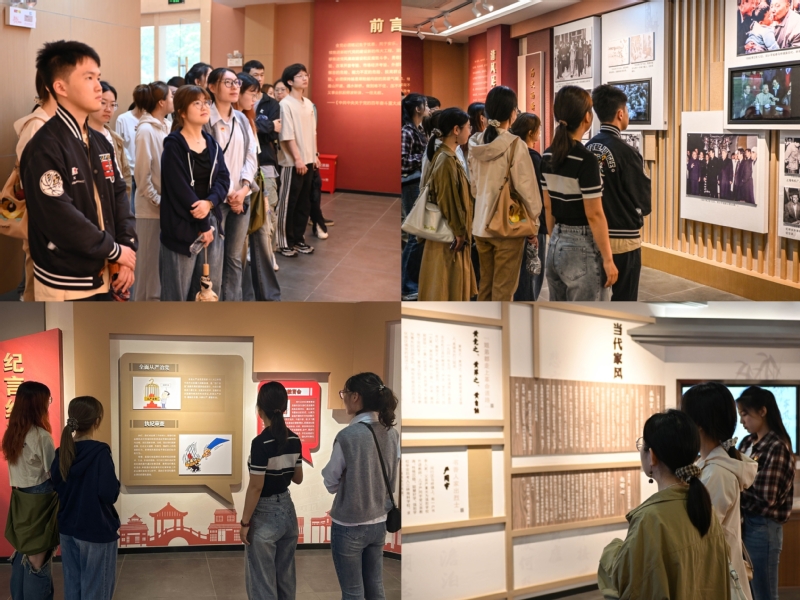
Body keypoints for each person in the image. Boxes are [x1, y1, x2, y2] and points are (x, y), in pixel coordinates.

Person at [21, 40, 137, 302]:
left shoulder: (100, 141)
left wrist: (125, 250)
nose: (98, 87)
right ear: (60, 87)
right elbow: (60, 217)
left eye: (98, 77)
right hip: (67, 279)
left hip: (106, 271)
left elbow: (119, 195)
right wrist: (116, 251)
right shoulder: (44, 146)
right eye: (88, 78)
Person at [598, 410, 732, 599]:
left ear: (652, 456)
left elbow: (629, 582)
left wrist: (612, 550)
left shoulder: (650, 519)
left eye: (642, 445)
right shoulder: (703, 507)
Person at [322, 373, 400, 600]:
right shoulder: (391, 433)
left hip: (350, 524)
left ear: (355, 396)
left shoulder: (347, 436)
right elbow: (391, 474)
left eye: (344, 393)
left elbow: (330, 479)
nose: (344, 398)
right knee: (375, 586)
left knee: (353, 591)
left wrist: (347, 487)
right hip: (379, 521)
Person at [682, 383, 759, 600]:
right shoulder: (707, 464)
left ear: (698, 425)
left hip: (717, 580)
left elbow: (700, 535)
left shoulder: (718, 473)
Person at [540, 86, 617, 301]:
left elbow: (548, 206)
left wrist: (556, 239)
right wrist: (608, 259)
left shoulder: (547, 156)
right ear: (587, 117)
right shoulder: (586, 160)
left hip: (556, 242)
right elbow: (594, 214)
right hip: (582, 246)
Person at [469, 86, 542, 301]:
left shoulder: (475, 143)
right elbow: (527, 190)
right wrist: (534, 223)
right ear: (512, 113)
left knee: (485, 287)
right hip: (507, 227)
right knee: (504, 291)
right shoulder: (515, 145)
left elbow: (474, 188)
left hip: (480, 226)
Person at [160, 85, 230, 301]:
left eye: (206, 102)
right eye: (196, 103)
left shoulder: (212, 144)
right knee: (177, 295)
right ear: (181, 111)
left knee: (208, 292)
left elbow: (223, 178)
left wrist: (210, 203)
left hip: (211, 224)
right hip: (182, 227)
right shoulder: (173, 145)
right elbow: (180, 189)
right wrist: (203, 225)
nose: (204, 107)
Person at [50, 396, 120, 600]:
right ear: (97, 421)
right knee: (97, 589)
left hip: (68, 528)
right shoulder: (100, 453)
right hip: (96, 529)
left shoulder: (62, 452)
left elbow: (56, 486)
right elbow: (109, 493)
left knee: (73, 586)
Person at [587, 85, 652, 302]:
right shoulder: (628, 153)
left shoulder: (587, 148)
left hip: (593, 238)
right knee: (625, 302)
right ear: (620, 113)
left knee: (595, 301)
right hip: (623, 240)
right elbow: (644, 201)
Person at [241, 382, 303, 600]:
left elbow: (256, 487)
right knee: (285, 577)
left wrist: (245, 523)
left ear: (260, 410)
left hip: (265, 514)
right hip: (287, 510)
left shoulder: (260, 443)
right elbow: (298, 479)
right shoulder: (294, 439)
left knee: (262, 581)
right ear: (284, 408)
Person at [737, 386, 796, 600]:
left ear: (762, 411)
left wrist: (737, 488)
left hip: (763, 527)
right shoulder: (747, 442)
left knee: (765, 593)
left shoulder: (777, 446)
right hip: (745, 522)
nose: (742, 421)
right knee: (749, 591)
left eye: (745, 414)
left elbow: (766, 497)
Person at [205, 67, 259, 300]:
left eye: (236, 82)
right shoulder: (205, 119)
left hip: (241, 197)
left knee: (235, 258)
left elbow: (251, 157)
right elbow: (206, 163)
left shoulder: (242, 119)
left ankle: (232, 306)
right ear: (212, 87)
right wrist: (228, 193)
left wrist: (244, 189)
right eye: (228, 83)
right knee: (214, 260)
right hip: (216, 200)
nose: (235, 87)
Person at [2, 382, 58, 599]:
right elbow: (53, 471)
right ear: (38, 403)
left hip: (20, 497)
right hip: (40, 499)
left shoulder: (13, 433)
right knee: (37, 560)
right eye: (47, 400)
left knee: (23, 552)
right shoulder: (40, 436)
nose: (48, 404)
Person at [417, 108, 476, 301]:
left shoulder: (446, 155)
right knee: (444, 284)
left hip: (449, 233)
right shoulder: (446, 160)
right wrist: (459, 231)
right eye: (468, 127)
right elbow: (448, 200)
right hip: (449, 235)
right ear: (456, 130)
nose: (470, 131)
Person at [236, 72, 281, 301]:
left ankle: (269, 296)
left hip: (255, 185)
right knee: (240, 249)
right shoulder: (234, 120)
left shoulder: (249, 119)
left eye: (257, 94)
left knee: (262, 240)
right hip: (239, 190)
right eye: (251, 94)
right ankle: (245, 297)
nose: (255, 99)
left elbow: (254, 157)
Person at [13, 72, 57, 302]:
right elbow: (31, 180)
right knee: (36, 286)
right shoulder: (37, 125)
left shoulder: (59, 123)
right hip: (44, 218)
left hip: (58, 220)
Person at [134, 81, 174, 302]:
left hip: (165, 207)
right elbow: (142, 176)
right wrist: (159, 200)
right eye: (171, 96)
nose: (173, 100)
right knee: (147, 267)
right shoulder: (146, 130)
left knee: (159, 267)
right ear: (161, 102)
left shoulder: (167, 125)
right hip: (150, 209)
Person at [276, 63, 319, 258]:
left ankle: (298, 239)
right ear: (290, 81)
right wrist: (298, 159)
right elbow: (287, 134)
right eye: (300, 76)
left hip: (308, 160)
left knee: (304, 203)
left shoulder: (308, 103)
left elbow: (313, 132)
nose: (305, 78)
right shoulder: (285, 104)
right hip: (292, 163)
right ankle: (284, 241)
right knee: (288, 203)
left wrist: (315, 155)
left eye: (305, 75)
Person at [509, 113, 547, 301]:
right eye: (538, 129)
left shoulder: (510, 151)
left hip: (513, 219)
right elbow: (535, 195)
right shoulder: (532, 157)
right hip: (531, 222)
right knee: (531, 274)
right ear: (531, 132)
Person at [400, 93, 428, 301]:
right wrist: (424, 156)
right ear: (418, 109)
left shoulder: (418, 129)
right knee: (414, 234)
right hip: (410, 184)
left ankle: (410, 283)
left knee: (416, 234)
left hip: (416, 183)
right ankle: (407, 285)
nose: (427, 108)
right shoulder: (407, 131)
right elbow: (403, 163)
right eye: (425, 105)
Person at [254, 73, 283, 274]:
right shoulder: (237, 103)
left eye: (261, 74)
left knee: (269, 209)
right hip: (245, 166)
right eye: (254, 75)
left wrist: (266, 127)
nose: (259, 78)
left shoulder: (271, 103)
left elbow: (274, 132)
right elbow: (248, 126)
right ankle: (252, 251)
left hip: (266, 162)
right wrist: (267, 125)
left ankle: (269, 253)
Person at [88, 81, 132, 200]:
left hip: (116, 199)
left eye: (113, 105)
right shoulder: (82, 136)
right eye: (103, 103)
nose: (108, 109)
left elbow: (125, 173)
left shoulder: (115, 138)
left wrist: (124, 200)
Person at [116, 85, 146, 213]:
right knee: (130, 210)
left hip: (146, 172)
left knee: (144, 212)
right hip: (130, 172)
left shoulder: (150, 120)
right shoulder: (123, 119)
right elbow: (118, 146)